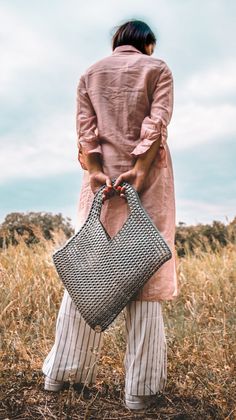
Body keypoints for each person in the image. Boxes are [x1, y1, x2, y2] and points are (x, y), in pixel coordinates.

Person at [42, 19, 178, 411]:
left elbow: (85, 131)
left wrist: (96, 171)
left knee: (89, 272)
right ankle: (139, 390)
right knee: (143, 274)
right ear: (147, 43)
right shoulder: (159, 68)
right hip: (145, 181)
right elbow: (157, 124)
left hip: (100, 184)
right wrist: (139, 168)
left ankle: (60, 375)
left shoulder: (89, 73)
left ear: (118, 42)